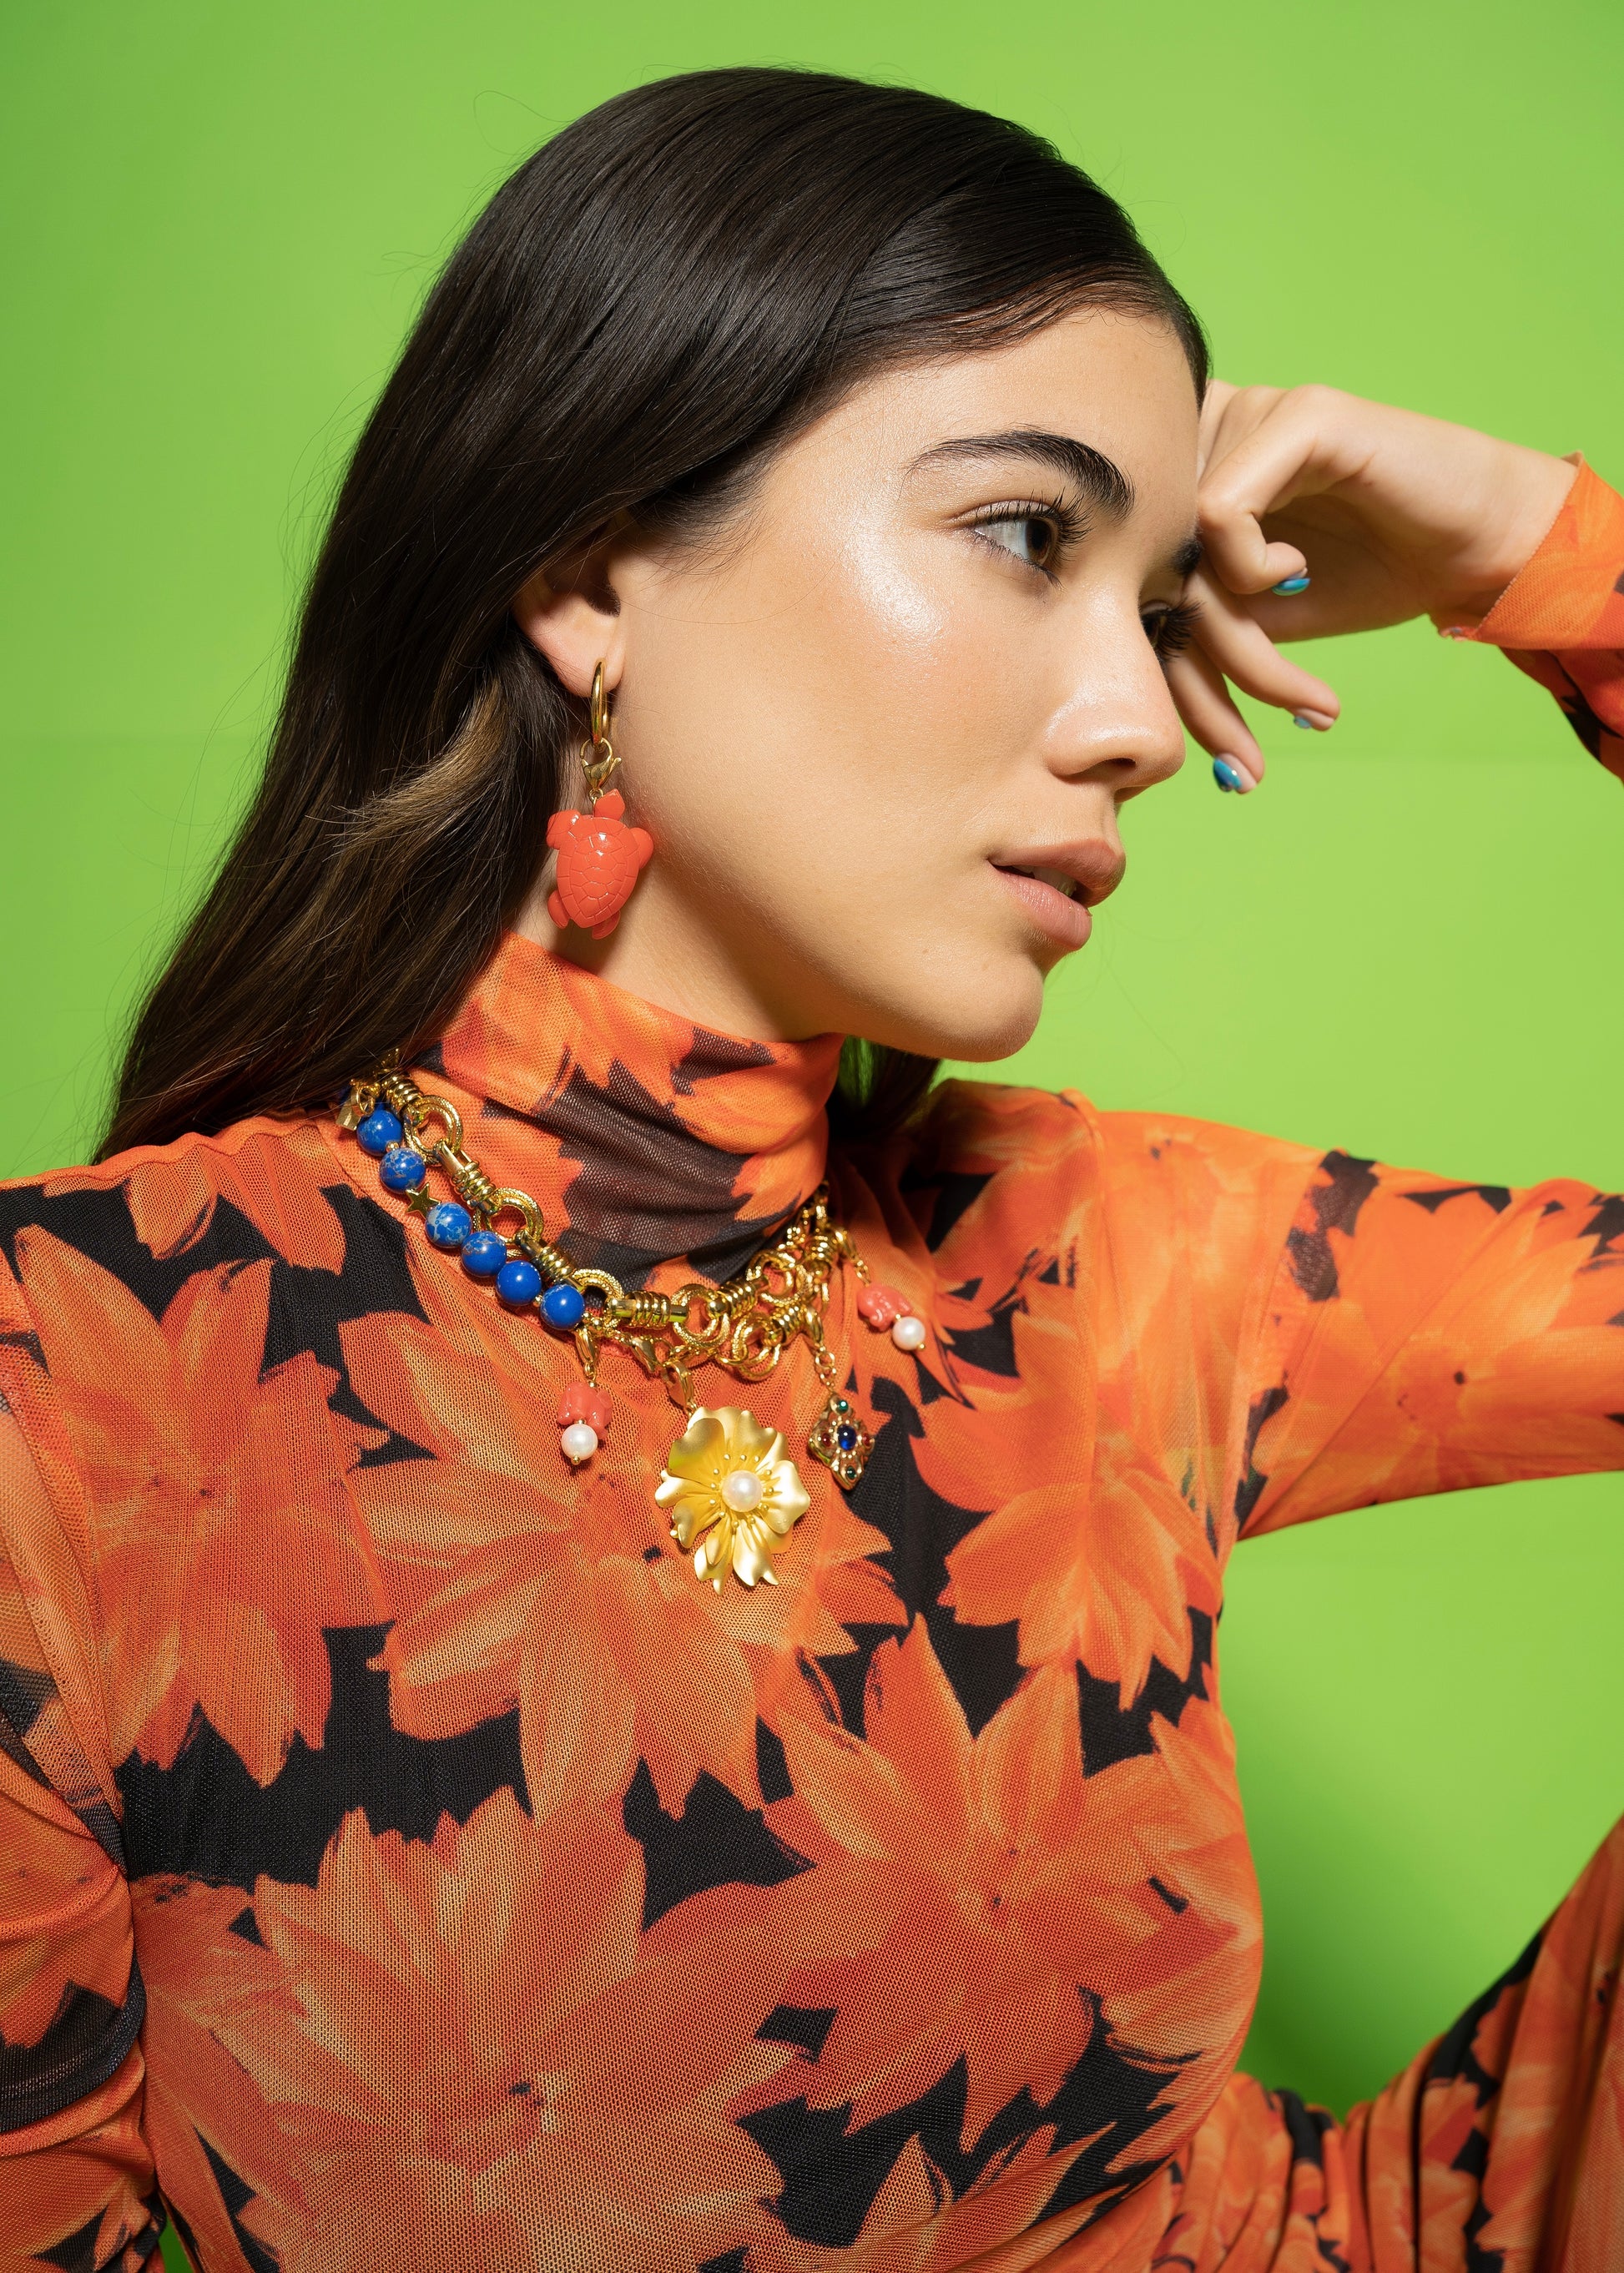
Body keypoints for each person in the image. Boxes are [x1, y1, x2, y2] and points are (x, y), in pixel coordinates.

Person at [0, 64, 1619, 2273]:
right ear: (588, 574)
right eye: (1026, 538)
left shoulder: (1132, 1265)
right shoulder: (83, 1385)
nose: (1136, 719)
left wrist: (1543, 551)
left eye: (1158, 603)